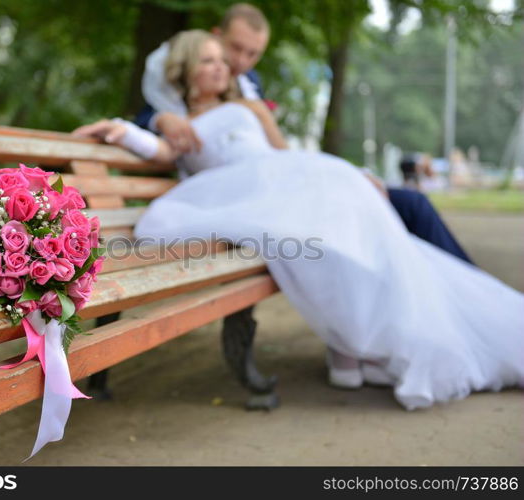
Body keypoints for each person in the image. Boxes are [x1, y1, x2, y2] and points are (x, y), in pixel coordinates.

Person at [73, 30, 524, 410]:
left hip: (277, 181)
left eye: (220, 62)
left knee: (346, 215)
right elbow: (164, 152)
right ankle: (353, 349)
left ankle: (355, 348)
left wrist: (325, 174)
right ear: (185, 71)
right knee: (314, 235)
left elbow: (281, 153)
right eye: (207, 61)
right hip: (232, 193)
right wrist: (118, 128)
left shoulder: (249, 108)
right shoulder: (179, 123)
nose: (220, 67)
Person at [135, 3, 474, 266]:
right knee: (386, 214)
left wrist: (349, 174)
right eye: (235, 48)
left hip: (285, 184)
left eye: (253, 54)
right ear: (215, 36)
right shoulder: (185, 84)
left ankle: (459, 292)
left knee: (402, 205)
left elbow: (281, 151)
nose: (240, 61)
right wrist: (161, 118)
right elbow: (150, 119)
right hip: (253, 202)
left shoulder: (248, 89)